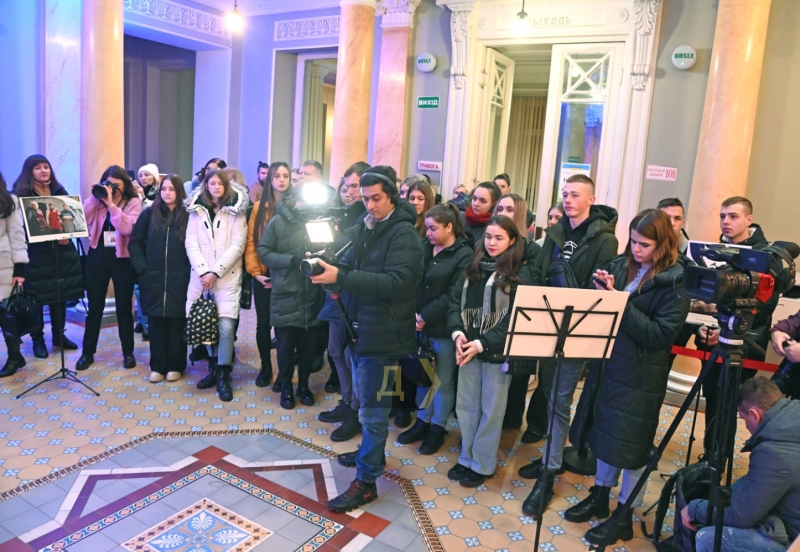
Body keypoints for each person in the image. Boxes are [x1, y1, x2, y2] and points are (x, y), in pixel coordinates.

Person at [559, 209, 690, 544]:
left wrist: (620, 303)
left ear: (664, 244)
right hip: (608, 367)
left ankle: (623, 515)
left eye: (644, 244)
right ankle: (600, 495)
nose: (636, 249)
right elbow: (602, 309)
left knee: (632, 448)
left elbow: (661, 336)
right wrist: (602, 287)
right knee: (604, 435)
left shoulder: (676, 282)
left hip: (641, 379)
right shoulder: (623, 265)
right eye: (633, 241)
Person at [309, 166, 422, 512]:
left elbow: (396, 283)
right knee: (366, 403)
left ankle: (367, 481)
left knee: (374, 412)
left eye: (376, 199)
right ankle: (368, 456)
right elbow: (348, 259)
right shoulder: (368, 227)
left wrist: (342, 275)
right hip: (360, 329)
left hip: (386, 337)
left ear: (392, 198)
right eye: (365, 198)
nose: (369, 205)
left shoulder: (403, 235)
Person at [518, 174, 618, 506]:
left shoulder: (604, 239)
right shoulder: (557, 231)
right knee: (548, 394)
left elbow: (597, 288)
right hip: (547, 321)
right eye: (564, 194)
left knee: (560, 400)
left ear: (591, 199)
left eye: (575, 195)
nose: (568, 200)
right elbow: (539, 269)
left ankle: (549, 472)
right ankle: (551, 453)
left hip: (577, 328)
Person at [446, 215, 533, 487]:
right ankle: (467, 456)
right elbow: (453, 303)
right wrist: (458, 334)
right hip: (467, 349)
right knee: (466, 406)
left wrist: (482, 342)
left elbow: (514, 319)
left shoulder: (519, 274)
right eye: (488, 236)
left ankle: (483, 464)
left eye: (499, 238)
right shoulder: (473, 268)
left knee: (491, 410)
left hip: (494, 352)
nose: (492, 243)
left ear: (512, 241)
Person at [695, 196, 779, 453]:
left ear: (749, 220)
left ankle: (718, 460)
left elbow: (764, 306)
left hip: (746, 341)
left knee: (729, 404)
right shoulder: (716, 250)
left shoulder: (765, 255)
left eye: (733, 216)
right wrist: (702, 325)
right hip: (714, 337)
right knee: (712, 397)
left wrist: (730, 326)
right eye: (722, 216)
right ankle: (709, 456)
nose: (726, 222)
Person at [682, 377, 800, 552]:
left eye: (744, 419)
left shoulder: (774, 452)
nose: (745, 426)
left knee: (708, 539)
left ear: (754, 414)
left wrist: (694, 509)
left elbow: (740, 516)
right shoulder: (793, 416)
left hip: (794, 540)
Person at [397, 204, 472, 454]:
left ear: (449, 227)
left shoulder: (463, 254)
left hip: (444, 326)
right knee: (423, 376)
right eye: (427, 228)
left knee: (442, 381)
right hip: (419, 324)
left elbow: (454, 293)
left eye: (433, 228)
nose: (427, 233)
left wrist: (426, 316)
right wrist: (413, 315)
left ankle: (438, 427)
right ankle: (423, 420)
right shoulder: (425, 248)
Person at [257, 187, 326, 409]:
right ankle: (286, 385)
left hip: (313, 293)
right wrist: (291, 260)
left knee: (308, 348)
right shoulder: (278, 222)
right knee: (286, 347)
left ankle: (303, 385)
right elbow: (264, 251)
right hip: (287, 292)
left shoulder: (318, 221)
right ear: (290, 200)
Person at [317, 161, 370, 441]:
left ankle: (356, 411)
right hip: (335, 294)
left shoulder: (368, 220)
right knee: (335, 351)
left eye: (356, 187)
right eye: (346, 186)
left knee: (353, 357)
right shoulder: (340, 215)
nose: (350, 192)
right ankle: (347, 401)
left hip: (355, 298)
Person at [12, 155, 83, 359]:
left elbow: (71, 220)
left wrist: (67, 235)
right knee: (38, 298)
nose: (44, 171)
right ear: (29, 172)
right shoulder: (20, 195)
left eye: (46, 167)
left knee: (59, 296)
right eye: (38, 168)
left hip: (60, 254)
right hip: (36, 255)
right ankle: (38, 340)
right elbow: (18, 228)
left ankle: (59, 336)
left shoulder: (60, 192)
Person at [185, 169, 247, 402]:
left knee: (225, 329)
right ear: (206, 185)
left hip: (227, 278)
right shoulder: (196, 211)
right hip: (201, 279)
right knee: (206, 325)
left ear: (226, 185)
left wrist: (215, 272)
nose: (217, 187)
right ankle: (213, 368)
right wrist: (204, 271)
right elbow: (191, 243)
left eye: (220, 183)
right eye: (212, 183)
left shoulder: (236, 211)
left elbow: (238, 245)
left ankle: (224, 373)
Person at [77, 165, 143, 371]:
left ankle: (128, 353)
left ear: (125, 186)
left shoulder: (133, 202)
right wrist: (95, 197)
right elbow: (82, 219)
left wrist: (112, 205)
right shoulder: (98, 202)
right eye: (108, 184)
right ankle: (87, 353)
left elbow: (126, 228)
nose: (111, 189)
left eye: (116, 185)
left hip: (122, 259)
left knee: (124, 308)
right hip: (97, 256)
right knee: (94, 307)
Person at [129, 175, 191, 383]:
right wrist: (142, 269)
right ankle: (158, 366)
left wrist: (187, 271)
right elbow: (135, 243)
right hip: (152, 278)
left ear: (179, 192)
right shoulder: (149, 215)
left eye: (172, 189)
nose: (167, 193)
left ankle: (175, 365)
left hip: (179, 279)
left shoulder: (188, 217)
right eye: (164, 188)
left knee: (176, 324)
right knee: (155, 324)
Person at [493, 193, 543, 431]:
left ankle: (509, 425)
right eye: (500, 207)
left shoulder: (531, 249)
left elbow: (529, 286)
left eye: (510, 209)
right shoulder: (488, 243)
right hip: (490, 319)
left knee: (516, 380)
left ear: (520, 214)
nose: (503, 212)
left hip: (520, 321)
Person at [245, 162, 291, 390]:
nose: (282, 180)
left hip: (288, 275)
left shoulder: (296, 206)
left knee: (284, 327)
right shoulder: (257, 208)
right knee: (263, 325)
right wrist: (256, 273)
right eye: (277, 176)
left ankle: (285, 373)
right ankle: (265, 367)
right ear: (269, 179)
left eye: (286, 176)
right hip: (263, 275)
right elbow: (252, 242)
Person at [0, 173, 29, 377]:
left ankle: (14, 356)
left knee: (6, 314)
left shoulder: (8, 200)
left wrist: (20, 267)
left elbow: (17, 233)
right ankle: (16, 356)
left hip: (5, 264)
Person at [133, 163, 160, 340]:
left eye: (147, 175)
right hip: (139, 246)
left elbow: (149, 214)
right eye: (141, 175)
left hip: (153, 247)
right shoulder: (133, 195)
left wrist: (141, 196)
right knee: (138, 289)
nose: (143, 178)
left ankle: (149, 325)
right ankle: (143, 321)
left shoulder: (158, 195)